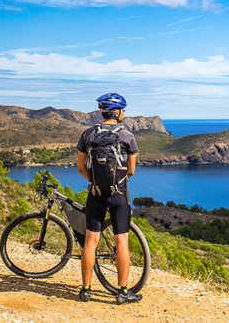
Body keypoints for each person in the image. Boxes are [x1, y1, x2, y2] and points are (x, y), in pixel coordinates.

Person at [76, 92, 141, 304]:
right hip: (118, 194)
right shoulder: (127, 136)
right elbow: (131, 170)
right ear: (116, 112)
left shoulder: (87, 134)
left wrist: (95, 183)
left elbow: (80, 168)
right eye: (122, 110)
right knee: (121, 240)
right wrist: (117, 183)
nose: (123, 113)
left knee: (91, 241)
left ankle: (86, 290)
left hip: (94, 194)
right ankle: (123, 292)